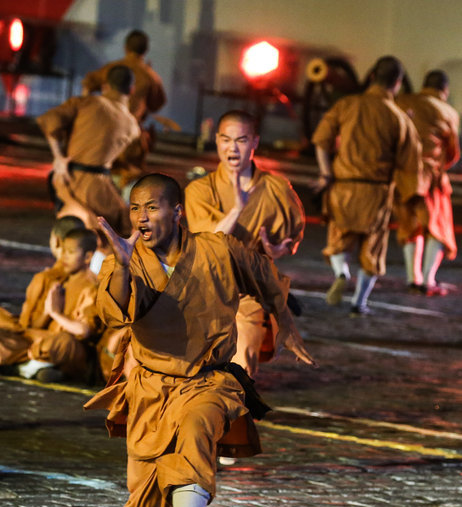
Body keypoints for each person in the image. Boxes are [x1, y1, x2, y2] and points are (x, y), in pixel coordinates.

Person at [84, 173, 314, 507]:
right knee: (146, 480)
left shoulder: (217, 249)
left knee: (194, 436)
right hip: (151, 385)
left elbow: (264, 275)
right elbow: (117, 314)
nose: (141, 217)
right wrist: (120, 264)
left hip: (209, 380)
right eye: (135, 208)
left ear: (177, 212)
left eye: (152, 207)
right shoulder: (126, 259)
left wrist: (284, 322)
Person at [185, 110, 305, 377]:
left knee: (240, 374)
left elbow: (289, 239)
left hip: (248, 293)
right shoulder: (200, 190)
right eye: (226, 140)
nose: (232, 148)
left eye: (241, 140)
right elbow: (209, 240)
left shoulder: (276, 189)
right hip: (206, 288)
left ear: (254, 142)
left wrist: (277, 250)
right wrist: (237, 210)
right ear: (216, 141)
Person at [311, 56, 425, 315]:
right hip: (377, 192)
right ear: (397, 84)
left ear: (372, 77)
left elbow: (320, 140)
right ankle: (358, 303)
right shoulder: (399, 118)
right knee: (372, 251)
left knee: (338, 240)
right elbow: (410, 165)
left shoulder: (348, 104)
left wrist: (325, 173)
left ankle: (341, 273)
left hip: (343, 187)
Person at [37, 64, 140, 269]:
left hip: (69, 179)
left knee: (80, 236)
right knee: (116, 232)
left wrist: (58, 157)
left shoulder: (88, 102)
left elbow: (51, 120)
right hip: (102, 188)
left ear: (104, 86)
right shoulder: (133, 126)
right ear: (131, 90)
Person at [0, 228, 101, 383]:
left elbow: (83, 331)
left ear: (87, 257)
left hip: (70, 350)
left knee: (62, 342)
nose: (64, 257)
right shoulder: (61, 282)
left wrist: (55, 313)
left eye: (71, 252)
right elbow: (33, 327)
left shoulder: (92, 287)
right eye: (63, 251)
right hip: (42, 341)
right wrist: (47, 312)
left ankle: (24, 365)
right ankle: (34, 366)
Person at [395, 69, 460, 295]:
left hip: (402, 175)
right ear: (445, 90)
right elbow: (452, 153)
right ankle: (428, 280)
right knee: (437, 229)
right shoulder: (448, 111)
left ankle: (413, 278)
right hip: (430, 178)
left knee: (409, 226)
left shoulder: (402, 101)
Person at [82, 30, 167, 187]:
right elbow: (157, 104)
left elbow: (87, 84)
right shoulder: (150, 76)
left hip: (104, 136)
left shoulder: (111, 69)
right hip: (131, 141)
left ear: (125, 48)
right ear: (145, 50)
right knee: (129, 188)